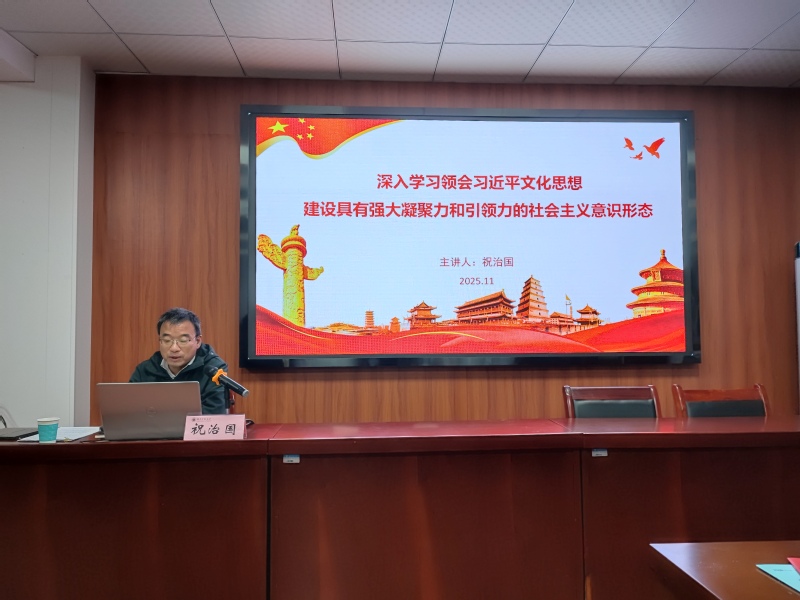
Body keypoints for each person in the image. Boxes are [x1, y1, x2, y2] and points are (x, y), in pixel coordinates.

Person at [130, 307, 229, 414]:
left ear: (198, 341)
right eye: (167, 340)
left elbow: (214, 414)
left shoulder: (214, 370)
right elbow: (129, 410)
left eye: (183, 340)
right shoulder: (145, 370)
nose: (174, 348)